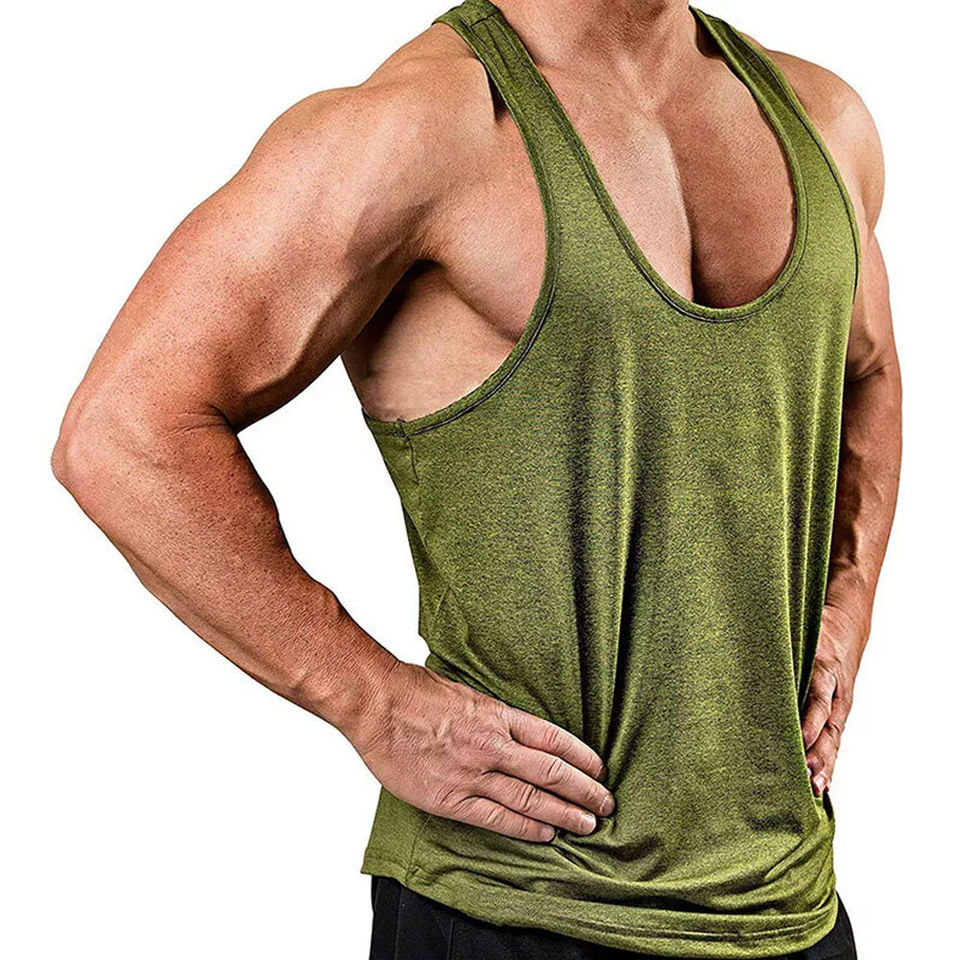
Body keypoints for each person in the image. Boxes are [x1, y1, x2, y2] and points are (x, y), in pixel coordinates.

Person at [52, 1, 900, 957]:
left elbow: (868, 368)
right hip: (517, 900)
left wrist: (850, 605)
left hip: (789, 900)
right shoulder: (421, 131)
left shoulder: (822, 118)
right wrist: (373, 701)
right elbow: (121, 434)